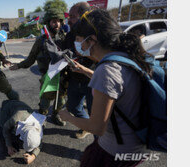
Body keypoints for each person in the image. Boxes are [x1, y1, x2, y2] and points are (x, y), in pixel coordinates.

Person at [59, 9, 151, 166]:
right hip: (137, 146)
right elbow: (117, 86)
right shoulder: (125, 56)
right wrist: (85, 70)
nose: (77, 44)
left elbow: (96, 127)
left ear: (92, 40)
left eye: (79, 40)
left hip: (114, 152)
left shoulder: (107, 69)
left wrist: (68, 117)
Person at [9, 9, 67, 126]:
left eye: (59, 21)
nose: (57, 24)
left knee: (61, 101)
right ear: (48, 23)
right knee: (45, 102)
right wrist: (19, 65)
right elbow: (31, 58)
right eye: (54, 22)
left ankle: (55, 115)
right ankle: (41, 118)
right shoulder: (41, 41)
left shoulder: (64, 38)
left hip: (62, 76)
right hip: (48, 76)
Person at [61, 2, 96, 139]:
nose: (68, 20)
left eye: (72, 16)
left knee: (96, 117)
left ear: (84, 17)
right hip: (74, 80)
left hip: (92, 82)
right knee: (73, 107)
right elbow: (63, 53)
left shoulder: (95, 37)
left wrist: (84, 66)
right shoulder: (69, 35)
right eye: (68, 16)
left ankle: (98, 146)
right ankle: (86, 125)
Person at [0, 100, 44, 164]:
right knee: (2, 125)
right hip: (9, 106)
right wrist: (9, 146)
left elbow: (39, 143)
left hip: (23, 109)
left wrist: (33, 156)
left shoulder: (40, 124)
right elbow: (5, 129)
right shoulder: (16, 118)